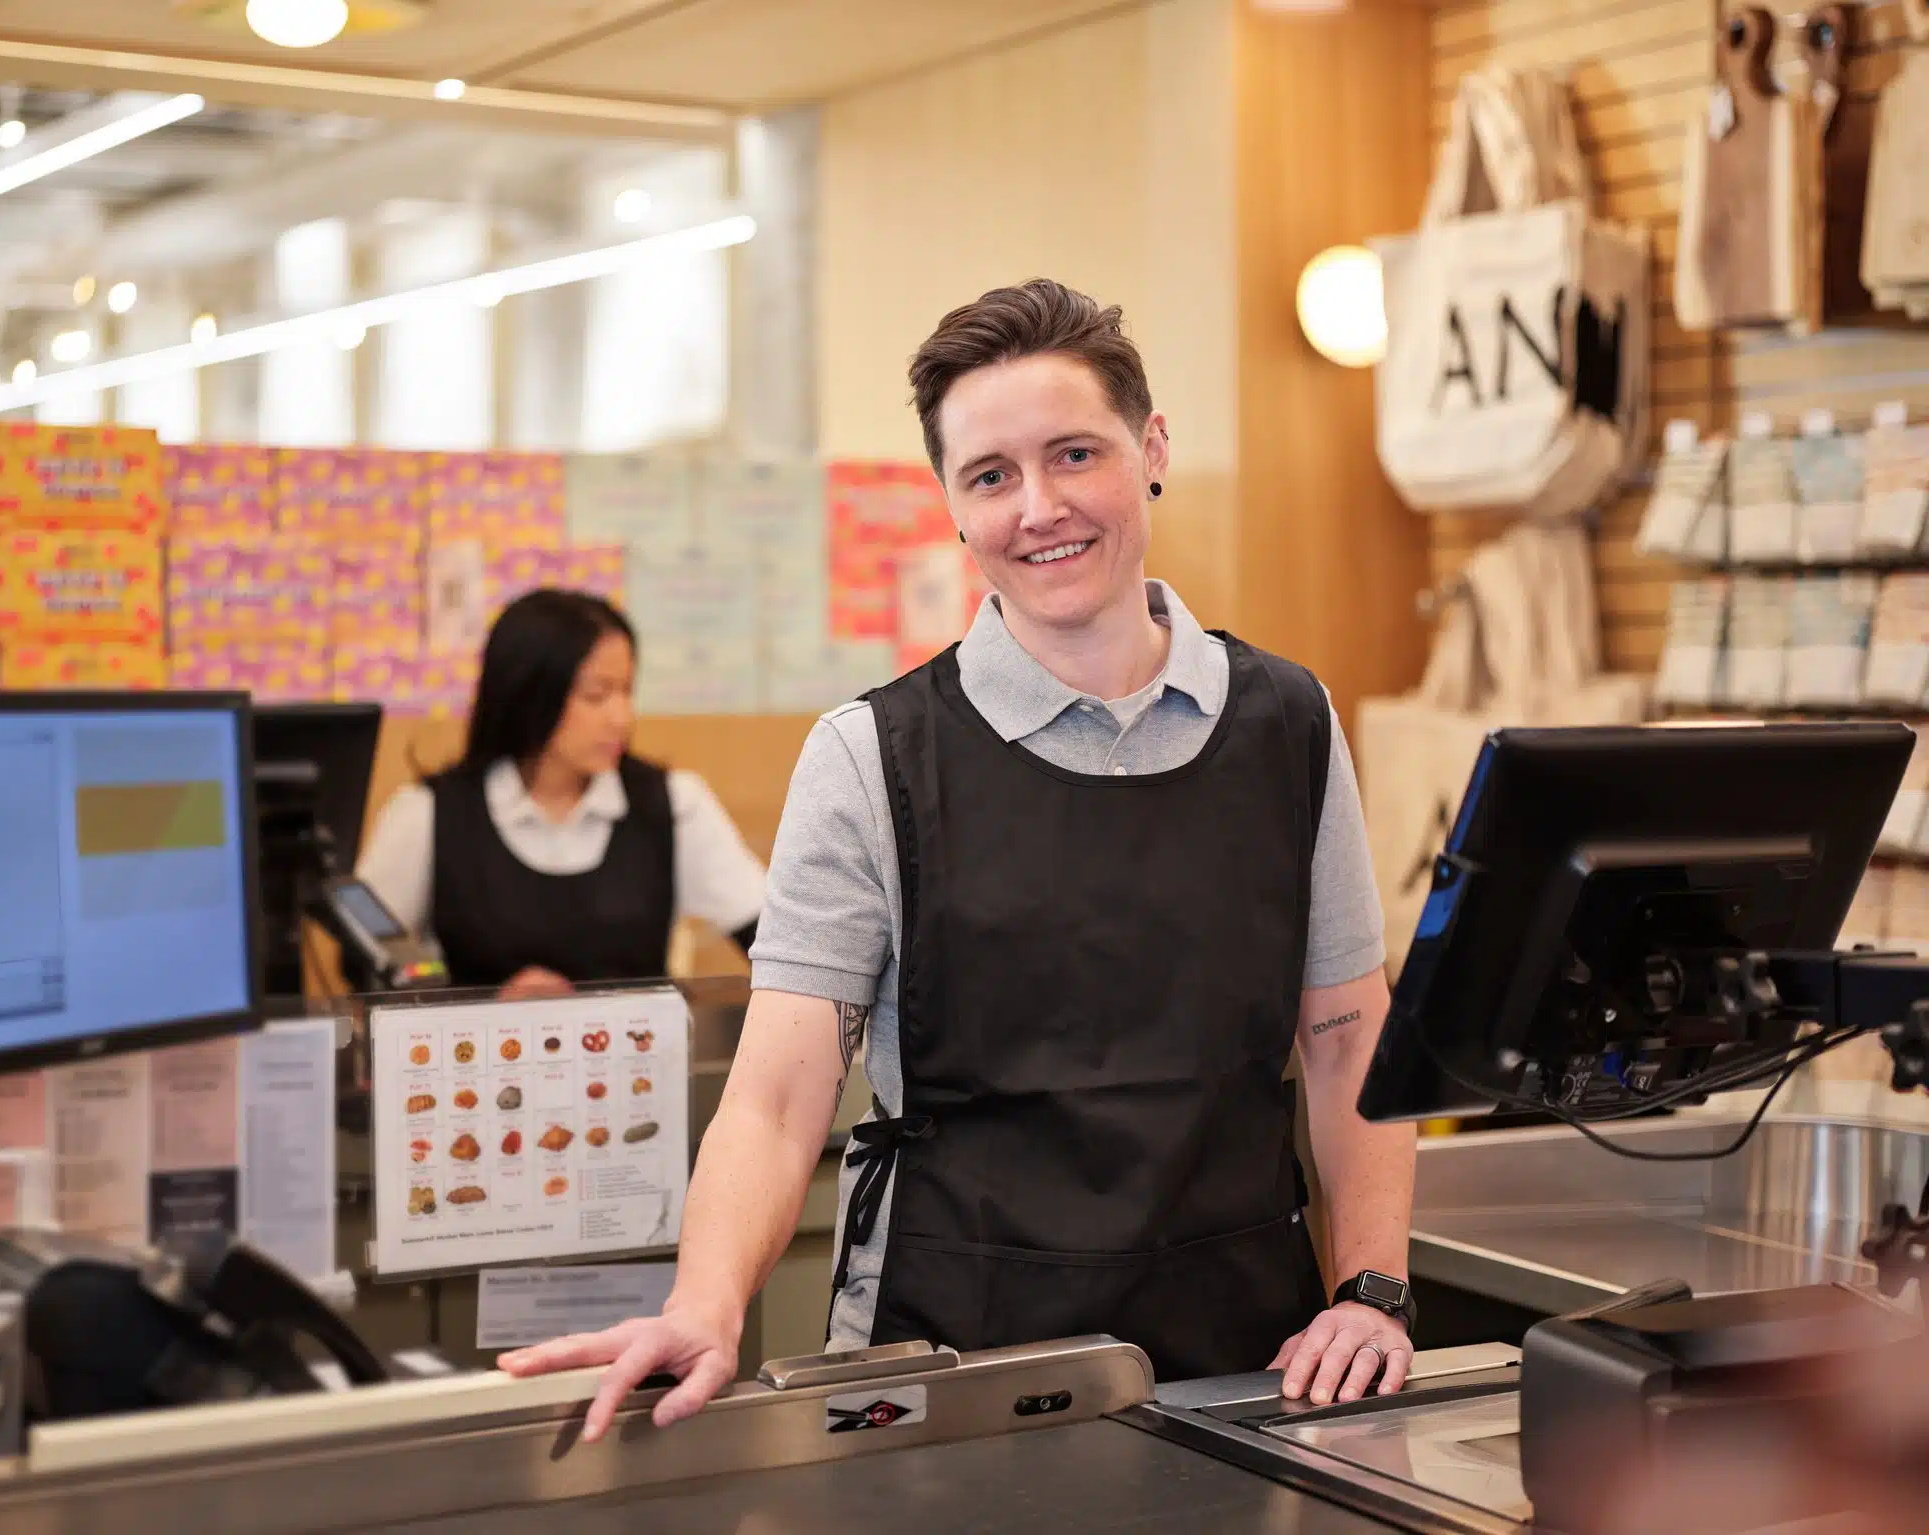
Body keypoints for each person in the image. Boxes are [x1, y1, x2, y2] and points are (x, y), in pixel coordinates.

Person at [500, 280, 1417, 1436]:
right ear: (949, 501)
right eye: (990, 475)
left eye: (1074, 453)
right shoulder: (868, 756)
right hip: (949, 1360)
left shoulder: (1288, 721)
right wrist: (706, 1297)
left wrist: (1370, 1288)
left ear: (1151, 449)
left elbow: (1347, 1043)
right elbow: (781, 1095)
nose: (1039, 507)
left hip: (1244, 1357)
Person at [356, 588, 765, 995]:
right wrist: (469, 995)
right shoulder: (427, 813)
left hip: (635, 1055)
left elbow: (774, 940)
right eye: (596, 695)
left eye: (626, 691)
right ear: (528, 694)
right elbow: (365, 959)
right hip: (480, 1055)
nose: (621, 718)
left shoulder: (674, 803)